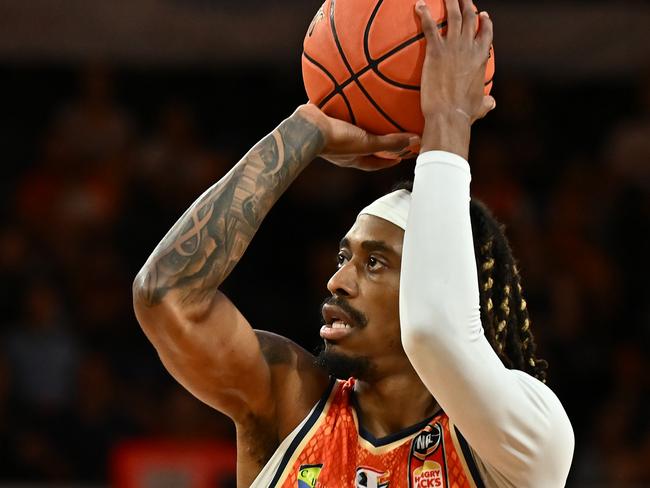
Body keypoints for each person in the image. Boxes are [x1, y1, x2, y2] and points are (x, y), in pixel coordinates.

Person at [132, 0, 574, 486]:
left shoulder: (527, 439)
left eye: (376, 263)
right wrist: (306, 131)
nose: (337, 281)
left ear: (445, 280)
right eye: (345, 256)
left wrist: (447, 118)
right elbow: (165, 294)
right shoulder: (289, 404)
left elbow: (436, 332)